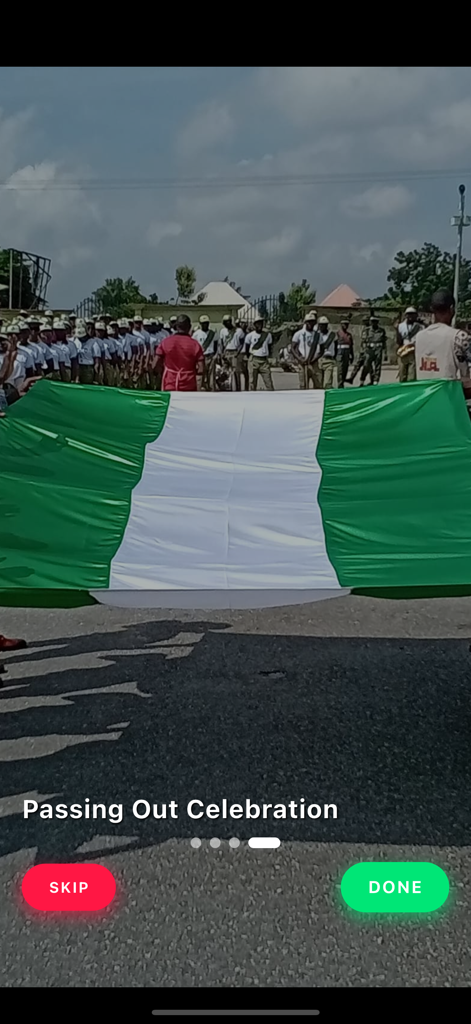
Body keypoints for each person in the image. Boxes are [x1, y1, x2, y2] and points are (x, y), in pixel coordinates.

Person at [415, 290, 471, 404]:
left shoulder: (419, 337)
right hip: (449, 402)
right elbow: (467, 379)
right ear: (452, 309)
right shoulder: (459, 337)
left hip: (425, 400)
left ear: (432, 309)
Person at [153, 314, 204, 391]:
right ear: (190, 327)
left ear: (176, 326)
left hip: (169, 383)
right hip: (188, 385)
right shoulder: (195, 345)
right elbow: (201, 369)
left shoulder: (165, 342)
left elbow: (155, 365)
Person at [291, 311, 322, 389]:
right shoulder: (299, 334)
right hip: (303, 362)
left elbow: (322, 350)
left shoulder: (317, 335)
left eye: (312, 322)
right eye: (309, 322)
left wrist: (314, 359)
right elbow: (292, 348)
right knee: (303, 385)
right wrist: (299, 359)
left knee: (318, 384)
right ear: (305, 323)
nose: (310, 324)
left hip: (314, 362)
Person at [245, 315, 274, 391]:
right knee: (252, 382)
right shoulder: (250, 336)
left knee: (269, 383)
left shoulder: (268, 335)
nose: (260, 325)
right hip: (254, 359)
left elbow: (269, 347)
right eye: (258, 323)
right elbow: (247, 348)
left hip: (264, 360)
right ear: (254, 325)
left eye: (261, 323)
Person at [396, 306, 422, 382]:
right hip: (403, 351)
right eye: (409, 314)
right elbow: (398, 340)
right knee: (402, 373)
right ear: (406, 315)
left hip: (414, 352)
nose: (410, 316)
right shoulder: (400, 326)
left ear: (416, 315)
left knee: (412, 375)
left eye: (412, 314)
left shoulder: (420, 326)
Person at [359, 315, 387, 386]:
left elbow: (384, 342)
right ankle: (362, 380)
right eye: (372, 321)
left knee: (378, 365)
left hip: (378, 348)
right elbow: (363, 341)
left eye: (375, 321)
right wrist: (363, 351)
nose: (373, 323)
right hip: (369, 349)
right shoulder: (367, 330)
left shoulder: (382, 331)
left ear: (377, 322)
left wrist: (385, 353)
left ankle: (375, 381)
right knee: (366, 365)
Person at [193, 314, 218, 391]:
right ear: (200, 324)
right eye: (203, 323)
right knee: (201, 376)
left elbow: (216, 345)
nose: (205, 325)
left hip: (210, 356)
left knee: (211, 376)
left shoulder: (213, 333)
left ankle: (212, 390)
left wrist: (215, 355)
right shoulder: (196, 334)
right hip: (200, 357)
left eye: (206, 323)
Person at [317, 316, 338, 389]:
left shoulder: (332, 335)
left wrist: (334, 357)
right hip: (318, 359)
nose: (321, 326)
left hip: (329, 360)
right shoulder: (317, 335)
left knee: (327, 383)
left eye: (324, 325)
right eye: (320, 325)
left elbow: (336, 346)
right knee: (319, 383)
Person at [337, 317, 354, 388]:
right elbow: (335, 344)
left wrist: (352, 355)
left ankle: (343, 381)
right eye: (344, 324)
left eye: (347, 324)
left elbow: (351, 346)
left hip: (347, 353)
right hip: (340, 352)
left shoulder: (349, 335)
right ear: (341, 325)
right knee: (340, 369)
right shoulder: (337, 334)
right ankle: (340, 384)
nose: (345, 326)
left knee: (345, 369)